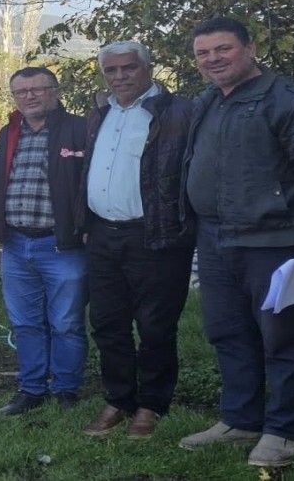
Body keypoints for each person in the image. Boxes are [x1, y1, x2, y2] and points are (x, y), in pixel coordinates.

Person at [177, 17, 294, 468]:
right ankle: (240, 420)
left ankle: (282, 431)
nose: (213, 59)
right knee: (228, 332)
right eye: (203, 53)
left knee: (281, 338)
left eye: (223, 49)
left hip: (273, 241)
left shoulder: (289, 101)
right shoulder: (208, 102)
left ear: (250, 48)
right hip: (214, 238)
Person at [81, 42, 195, 440]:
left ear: (148, 68)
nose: (120, 77)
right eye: (111, 71)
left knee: (155, 324)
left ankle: (151, 404)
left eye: (128, 68)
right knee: (108, 322)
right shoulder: (99, 112)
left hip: (154, 234)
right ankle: (118, 398)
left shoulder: (178, 111)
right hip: (102, 233)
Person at [0, 67, 89, 415]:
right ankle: (31, 388)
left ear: (55, 91)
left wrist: (84, 227)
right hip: (16, 245)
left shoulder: (78, 129)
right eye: (21, 92)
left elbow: (89, 181)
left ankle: (65, 389)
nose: (29, 96)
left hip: (61, 246)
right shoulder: (9, 132)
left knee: (66, 322)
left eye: (37, 89)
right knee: (25, 322)